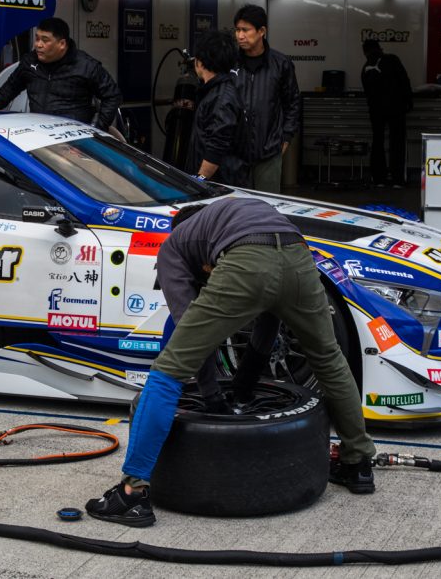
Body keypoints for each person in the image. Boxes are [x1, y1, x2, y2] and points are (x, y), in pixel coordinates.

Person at [84, 197, 377, 527]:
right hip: (300, 256)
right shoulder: (235, 218)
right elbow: (269, 318)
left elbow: (189, 338)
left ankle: (131, 494)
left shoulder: (174, 246)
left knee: (167, 372)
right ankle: (358, 463)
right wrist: (244, 387)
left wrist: (212, 398)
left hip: (249, 260)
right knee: (329, 359)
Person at [0, 17, 122, 130]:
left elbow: (112, 96)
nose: (38, 45)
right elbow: (11, 87)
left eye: (45, 40)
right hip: (38, 133)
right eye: (37, 38)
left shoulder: (85, 65)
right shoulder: (29, 61)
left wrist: (97, 128)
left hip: (73, 138)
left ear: (62, 44)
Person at [233, 5, 300, 193]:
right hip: (234, 153)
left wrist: (286, 136)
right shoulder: (230, 63)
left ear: (262, 31)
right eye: (237, 30)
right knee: (236, 209)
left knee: (266, 208)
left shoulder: (281, 64)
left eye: (245, 30)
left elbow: (293, 102)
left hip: (269, 151)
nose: (240, 36)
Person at [186, 31, 248, 186]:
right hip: (218, 184)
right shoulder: (216, 91)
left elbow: (216, 147)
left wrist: (198, 181)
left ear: (200, 62)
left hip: (219, 187)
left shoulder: (221, 98)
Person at [360, 39, 413, 186]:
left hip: (376, 110)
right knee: (397, 142)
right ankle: (397, 179)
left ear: (365, 52)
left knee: (378, 141)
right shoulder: (392, 59)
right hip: (396, 107)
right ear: (380, 48)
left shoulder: (365, 67)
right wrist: (409, 101)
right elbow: (404, 80)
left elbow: (367, 91)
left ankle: (379, 178)